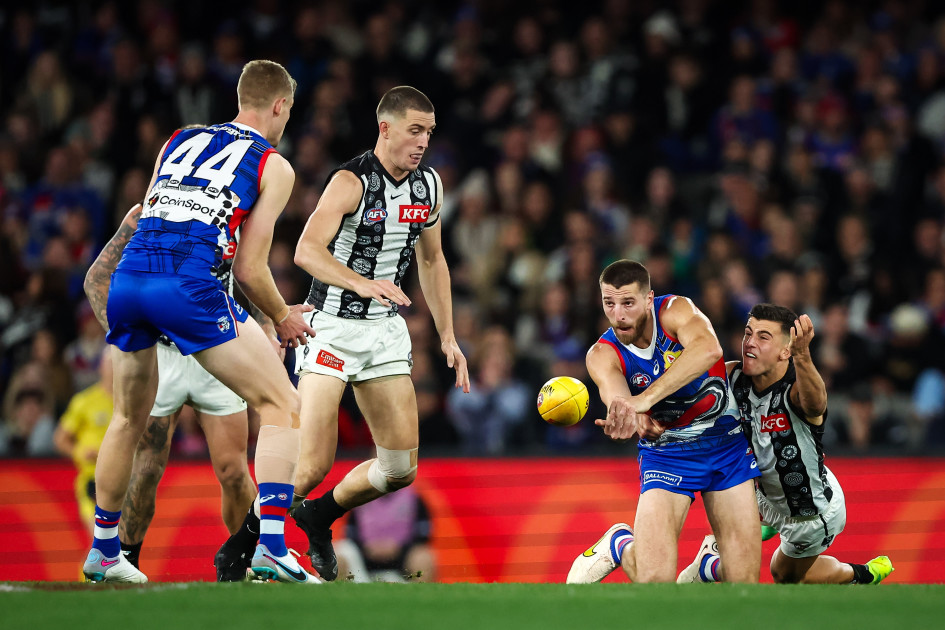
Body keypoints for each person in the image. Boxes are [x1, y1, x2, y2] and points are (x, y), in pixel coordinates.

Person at [215, 85, 469, 582]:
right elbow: (306, 251)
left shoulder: (429, 186)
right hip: (328, 328)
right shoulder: (351, 181)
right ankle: (238, 550)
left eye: (429, 133)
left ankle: (321, 514)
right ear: (386, 128)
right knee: (310, 464)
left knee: (400, 470)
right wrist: (361, 283)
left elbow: (434, 260)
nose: (422, 142)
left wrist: (448, 337)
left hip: (384, 334)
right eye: (414, 131)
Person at [80, 59, 319, 584]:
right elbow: (251, 268)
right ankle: (272, 547)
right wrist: (282, 318)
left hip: (130, 280)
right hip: (187, 288)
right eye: (289, 111)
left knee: (126, 420)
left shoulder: (180, 138)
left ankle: (103, 549)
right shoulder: (273, 164)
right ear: (280, 106)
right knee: (283, 403)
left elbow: (149, 214)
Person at [82, 201, 262, 571]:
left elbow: (245, 276)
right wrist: (128, 337)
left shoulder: (239, 209)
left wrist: (265, 321)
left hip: (217, 347)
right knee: (146, 468)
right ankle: (124, 563)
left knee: (232, 470)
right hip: (162, 356)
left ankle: (240, 565)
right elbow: (96, 280)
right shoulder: (147, 211)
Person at [566, 259, 761, 584]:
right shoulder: (601, 354)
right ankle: (620, 545)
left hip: (727, 446)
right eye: (609, 303)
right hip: (667, 455)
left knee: (743, 581)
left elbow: (708, 349)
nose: (618, 314)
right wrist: (629, 415)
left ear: (648, 299)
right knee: (654, 581)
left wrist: (644, 400)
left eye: (628, 302)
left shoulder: (675, 310)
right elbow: (618, 398)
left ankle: (706, 567)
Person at [676, 304, 894, 585]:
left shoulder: (796, 391)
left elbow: (816, 403)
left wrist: (803, 355)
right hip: (762, 494)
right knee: (723, 484)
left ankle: (862, 574)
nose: (750, 343)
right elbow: (687, 382)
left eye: (763, 337)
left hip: (807, 512)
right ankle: (753, 530)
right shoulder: (733, 377)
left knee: (784, 576)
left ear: (785, 351)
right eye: (748, 333)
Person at [53, 349, 113, 534]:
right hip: (91, 481)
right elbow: (60, 439)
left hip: (122, 481)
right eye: (110, 364)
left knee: (115, 544)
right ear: (101, 368)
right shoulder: (84, 401)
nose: (114, 370)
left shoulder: (131, 404)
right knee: (101, 538)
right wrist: (80, 451)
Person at [335, 484, 436, 583]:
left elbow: (423, 534)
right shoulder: (360, 499)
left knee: (423, 558)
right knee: (336, 555)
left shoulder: (413, 498)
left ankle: (419, 598)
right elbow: (350, 533)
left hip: (402, 563)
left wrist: (399, 548)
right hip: (364, 561)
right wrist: (368, 547)